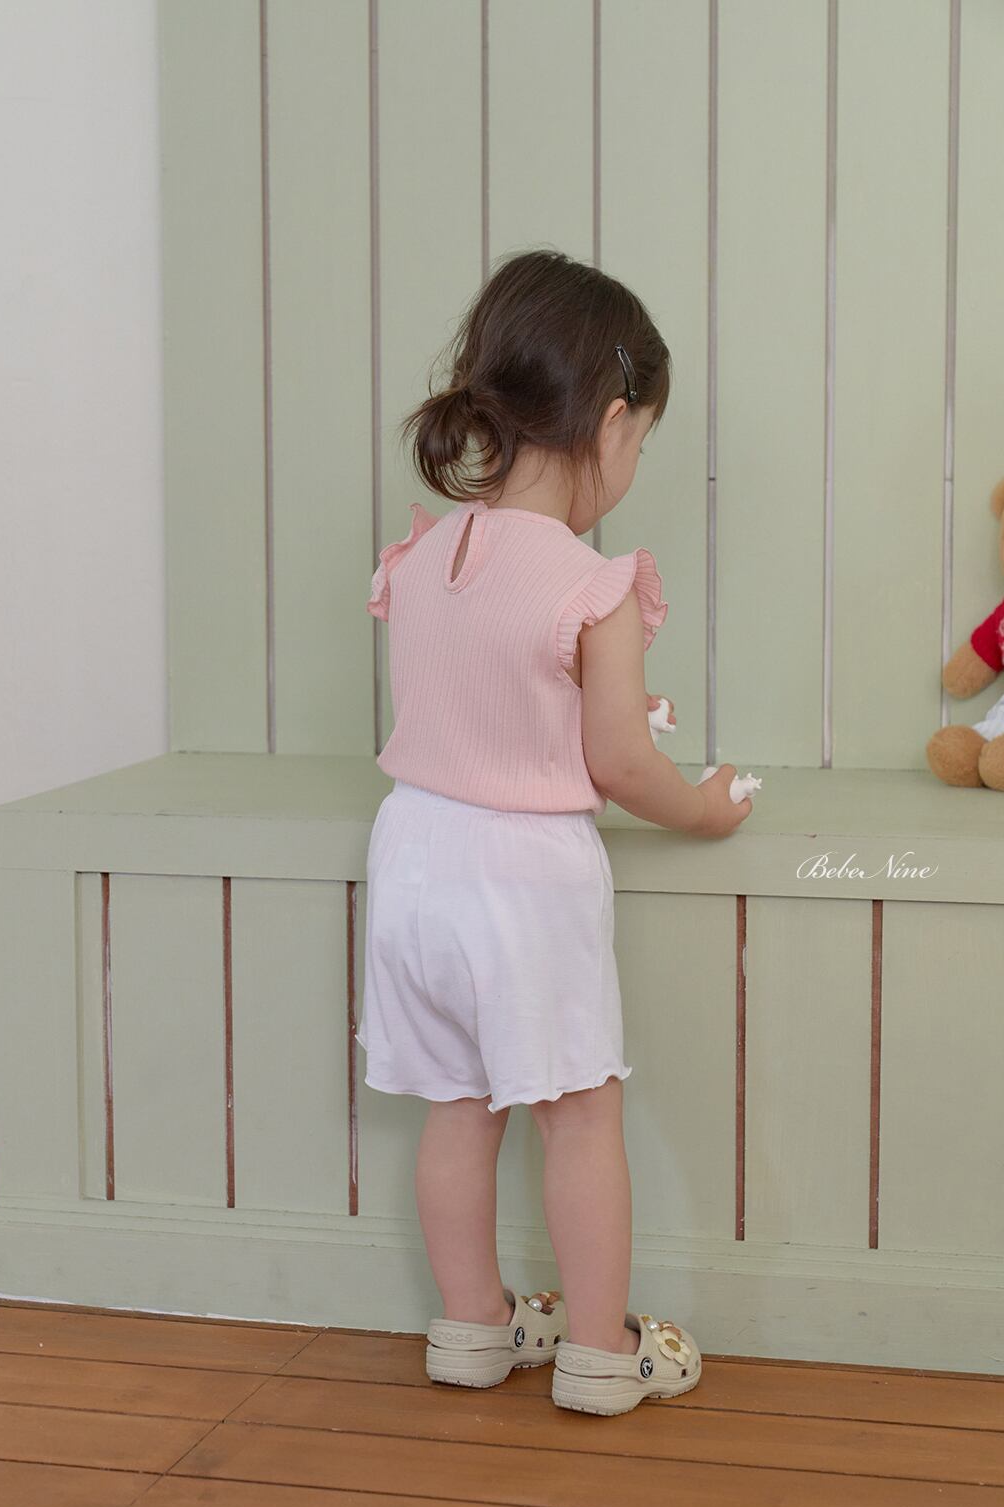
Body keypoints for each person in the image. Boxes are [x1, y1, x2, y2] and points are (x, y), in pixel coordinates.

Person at [356, 248, 752, 1417]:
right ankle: (597, 1352)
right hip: (521, 877)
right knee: (579, 1116)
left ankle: (471, 1329)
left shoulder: (423, 557)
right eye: (644, 441)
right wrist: (703, 806)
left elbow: (484, 704)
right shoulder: (593, 582)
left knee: (458, 1107)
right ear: (614, 423)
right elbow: (618, 763)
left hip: (412, 857)